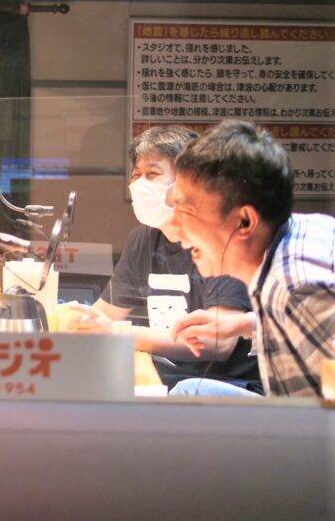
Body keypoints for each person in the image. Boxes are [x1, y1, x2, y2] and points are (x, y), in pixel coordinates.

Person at [72, 125, 261, 393]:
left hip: (223, 386)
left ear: (188, 182)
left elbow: (218, 343)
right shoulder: (144, 238)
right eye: (136, 175)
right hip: (162, 380)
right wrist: (74, 320)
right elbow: (104, 315)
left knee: (187, 390)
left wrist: (120, 333)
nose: (140, 185)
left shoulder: (223, 237)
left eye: (152, 174)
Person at [168, 120, 334, 397]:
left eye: (185, 209)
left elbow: (305, 302)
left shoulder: (298, 287)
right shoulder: (305, 229)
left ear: (244, 222)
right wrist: (246, 323)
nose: (173, 225)